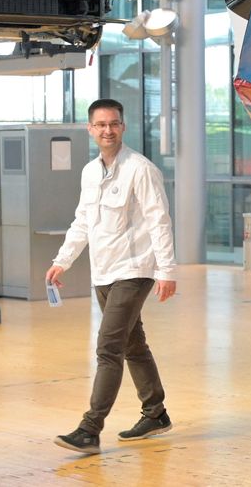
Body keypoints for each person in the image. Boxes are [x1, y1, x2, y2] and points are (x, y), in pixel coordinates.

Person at [46, 99, 178, 455]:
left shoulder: (141, 169)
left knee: (109, 347)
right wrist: (63, 261)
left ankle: (90, 429)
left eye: (114, 124)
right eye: (100, 125)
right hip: (103, 271)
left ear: (123, 127)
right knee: (133, 344)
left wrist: (166, 270)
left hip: (135, 270)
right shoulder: (90, 172)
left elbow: (159, 221)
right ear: (90, 129)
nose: (108, 130)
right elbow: (83, 221)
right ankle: (156, 413)